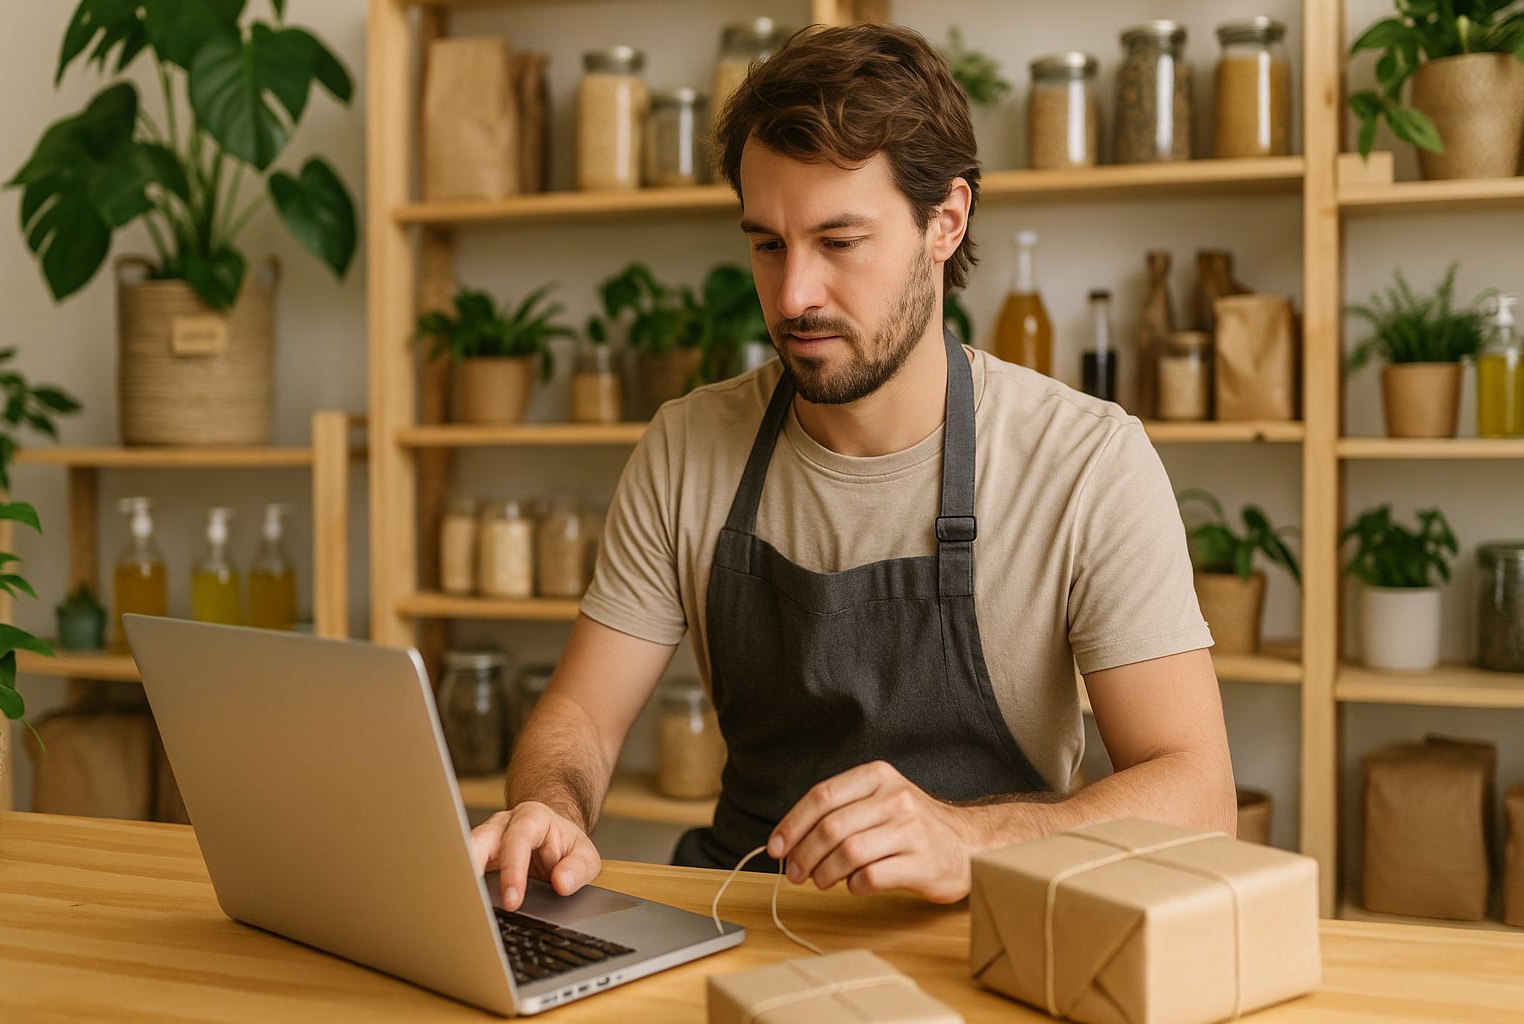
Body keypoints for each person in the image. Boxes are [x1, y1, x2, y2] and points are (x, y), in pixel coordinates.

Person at [471, 22, 1235, 911]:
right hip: (742, 910)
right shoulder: (687, 447)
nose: (793, 295)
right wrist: (548, 806)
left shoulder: (1085, 463)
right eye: (768, 245)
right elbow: (580, 721)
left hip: (990, 929)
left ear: (945, 222)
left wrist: (971, 839)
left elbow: (1199, 798)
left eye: (838, 242)